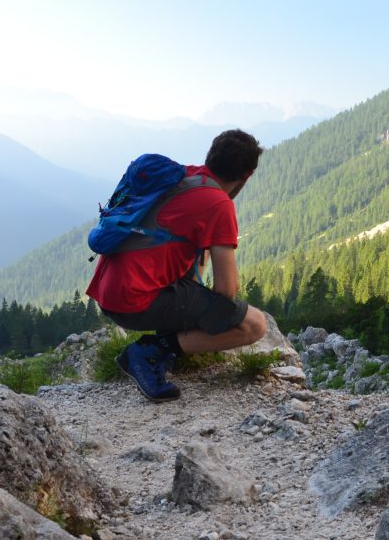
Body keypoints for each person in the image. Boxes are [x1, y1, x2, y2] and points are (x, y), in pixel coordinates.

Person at [86, 129, 268, 401]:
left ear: (211, 155)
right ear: (247, 175)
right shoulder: (219, 204)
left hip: (108, 290)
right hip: (134, 301)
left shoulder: (185, 176)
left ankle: (163, 344)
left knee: (196, 290)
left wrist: (192, 303)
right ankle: (151, 351)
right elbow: (227, 289)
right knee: (255, 325)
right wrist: (205, 318)